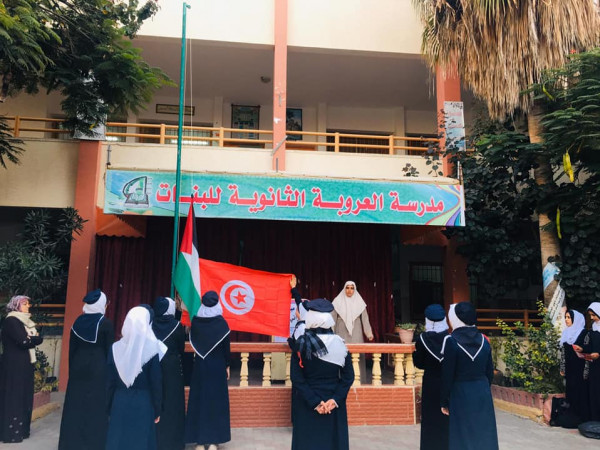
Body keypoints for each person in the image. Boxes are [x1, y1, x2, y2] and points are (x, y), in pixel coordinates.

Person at [290, 298, 354, 450]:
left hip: (307, 402)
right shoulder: (340, 344)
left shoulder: (302, 344)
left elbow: (297, 378)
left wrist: (315, 402)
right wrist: (335, 400)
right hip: (333, 403)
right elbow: (348, 377)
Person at [58, 289, 114, 450]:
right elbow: (109, 350)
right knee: (96, 407)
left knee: (76, 405)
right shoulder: (105, 323)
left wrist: (73, 371)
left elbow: (72, 349)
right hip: (98, 368)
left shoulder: (77, 322)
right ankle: (94, 444)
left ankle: (71, 443)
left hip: (78, 367)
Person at [106, 306, 166, 450]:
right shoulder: (152, 350)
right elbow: (156, 382)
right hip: (143, 403)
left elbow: (109, 382)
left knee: (118, 441)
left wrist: (109, 406)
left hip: (119, 401)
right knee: (141, 441)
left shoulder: (115, 348)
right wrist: (157, 409)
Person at [441, 302, 498, 450]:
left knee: (462, 434)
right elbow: (489, 371)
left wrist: (445, 401)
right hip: (482, 391)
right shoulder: (484, 341)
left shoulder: (451, 341)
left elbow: (447, 375)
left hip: (460, 392)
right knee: (483, 432)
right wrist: (483, 388)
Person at [185, 291, 231, 450]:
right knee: (215, 403)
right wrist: (227, 365)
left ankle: (199, 442)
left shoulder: (196, 323)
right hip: (217, 368)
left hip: (200, 368)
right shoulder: (222, 324)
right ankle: (212, 442)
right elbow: (226, 350)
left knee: (199, 401)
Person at [0, 295, 43, 444]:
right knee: (15, 397)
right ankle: (11, 433)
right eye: (25, 304)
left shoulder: (24, 321)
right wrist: (34, 339)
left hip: (25, 365)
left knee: (24, 396)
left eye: (28, 304)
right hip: (14, 366)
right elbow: (24, 341)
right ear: (16, 306)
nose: (28, 306)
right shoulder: (11, 321)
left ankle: (23, 431)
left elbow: (33, 339)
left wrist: (33, 339)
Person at [413, 304, 450, 450]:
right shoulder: (450, 339)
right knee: (446, 418)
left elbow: (419, 363)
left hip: (430, 383)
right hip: (447, 382)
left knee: (429, 418)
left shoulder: (422, 339)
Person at [152, 296, 185, 450]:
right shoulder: (177, 326)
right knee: (173, 402)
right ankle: (174, 442)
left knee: (157, 400)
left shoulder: (150, 324)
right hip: (172, 369)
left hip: (153, 366)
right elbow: (181, 348)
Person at [331, 281, 373, 381]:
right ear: (344, 289)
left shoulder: (360, 302)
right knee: (342, 357)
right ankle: (342, 381)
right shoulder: (337, 301)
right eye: (347, 288)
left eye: (352, 288)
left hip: (356, 333)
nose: (349, 290)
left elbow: (365, 319)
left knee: (357, 356)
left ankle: (359, 380)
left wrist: (369, 333)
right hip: (341, 333)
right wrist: (331, 334)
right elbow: (332, 320)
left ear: (355, 290)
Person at [559, 309, 588, 423]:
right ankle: (570, 418)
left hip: (580, 367)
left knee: (580, 391)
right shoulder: (565, 333)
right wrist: (562, 368)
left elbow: (587, 353)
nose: (566, 320)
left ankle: (580, 418)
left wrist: (586, 371)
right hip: (569, 368)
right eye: (565, 317)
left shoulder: (584, 333)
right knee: (570, 390)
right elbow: (563, 353)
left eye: (569, 317)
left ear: (576, 319)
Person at [574, 302, 600, 421]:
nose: (592, 318)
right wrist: (583, 349)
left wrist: (599, 354)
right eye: (590, 315)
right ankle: (595, 419)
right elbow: (591, 346)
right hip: (594, 366)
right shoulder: (593, 329)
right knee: (594, 391)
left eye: (594, 315)